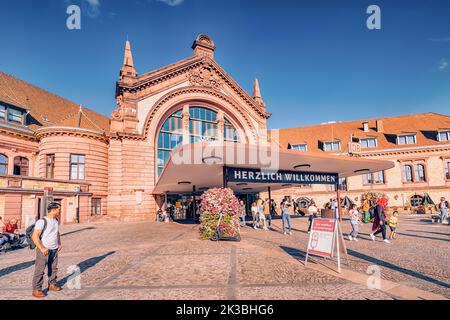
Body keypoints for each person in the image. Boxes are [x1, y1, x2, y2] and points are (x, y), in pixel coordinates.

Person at [31, 202, 62, 298]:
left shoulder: (56, 220)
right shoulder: (42, 221)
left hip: (54, 248)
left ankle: (52, 284)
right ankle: (36, 289)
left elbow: (56, 232)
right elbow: (34, 236)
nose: (60, 211)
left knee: (53, 268)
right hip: (44, 249)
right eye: (59, 209)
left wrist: (59, 243)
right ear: (53, 210)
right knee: (40, 270)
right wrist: (42, 248)